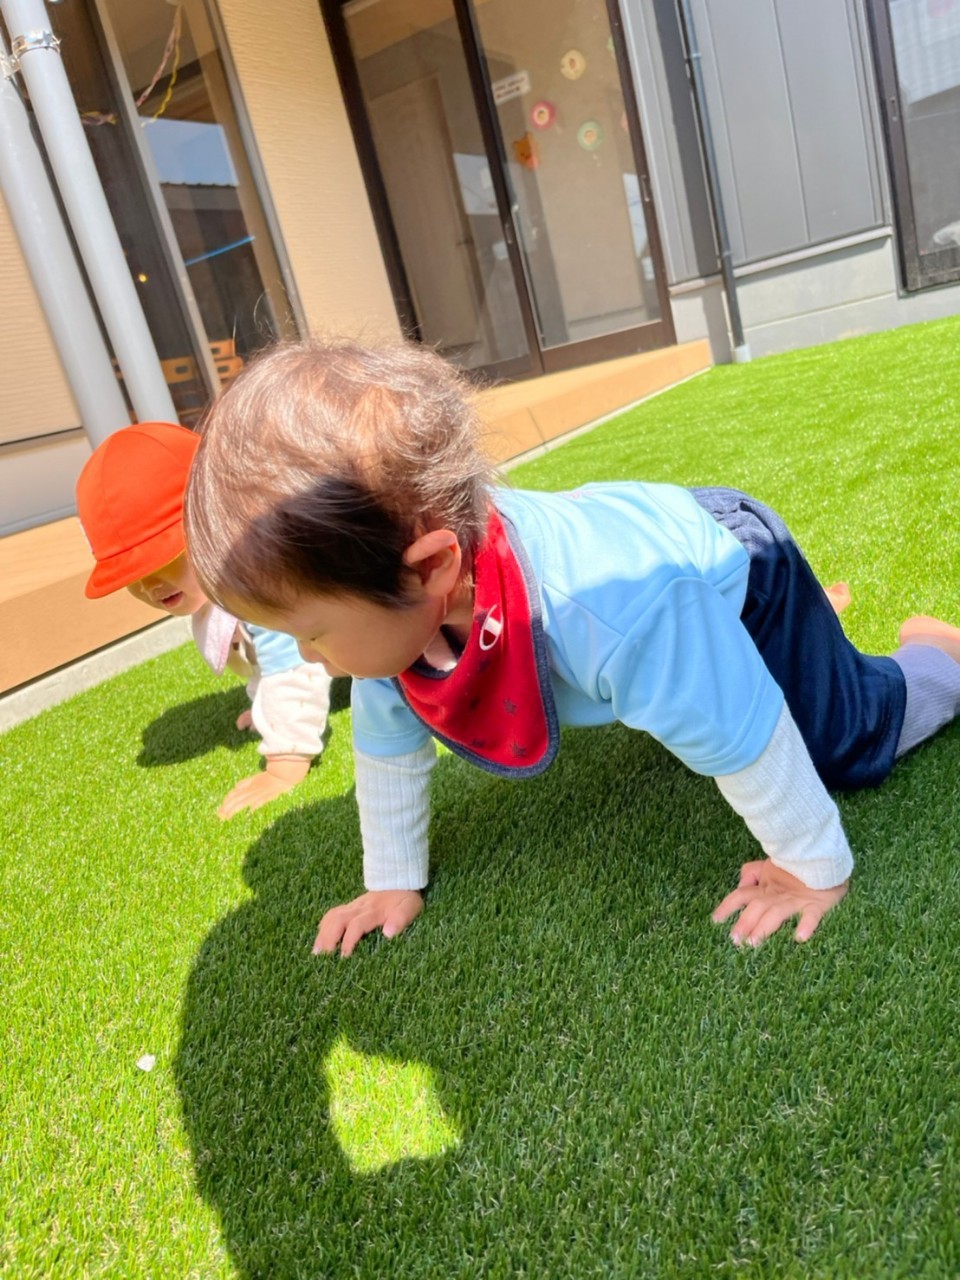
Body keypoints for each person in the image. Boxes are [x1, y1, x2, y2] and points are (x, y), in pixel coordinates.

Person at [183, 339, 960, 952]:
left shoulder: (610, 604)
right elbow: (389, 745)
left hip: (728, 564)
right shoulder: (399, 611)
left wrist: (811, 868)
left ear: (430, 569)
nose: (307, 660)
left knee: (840, 741)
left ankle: (934, 652)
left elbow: (741, 725)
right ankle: (785, 634)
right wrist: (392, 880)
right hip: (646, 581)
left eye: (311, 634)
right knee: (675, 674)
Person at [76, 421, 332, 819]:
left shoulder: (259, 580)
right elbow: (261, 661)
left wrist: (285, 762)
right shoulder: (220, 581)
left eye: (164, 557)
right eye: (131, 576)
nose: (149, 585)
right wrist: (267, 708)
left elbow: (292, 670)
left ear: (216, 524)